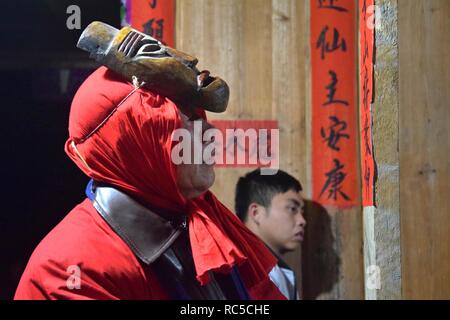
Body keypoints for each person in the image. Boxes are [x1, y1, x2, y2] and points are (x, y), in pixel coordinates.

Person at [14, 22, 285, 300]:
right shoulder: (69, 267)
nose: (209, 132)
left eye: (199, 115)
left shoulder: (204, 222)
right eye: (184, 119)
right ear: (133, 142)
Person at [235, 168, 306, 300]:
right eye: (292, 209)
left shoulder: (276, 269)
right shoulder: (240, 268)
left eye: (302, 211)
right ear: (256, 213)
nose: (302, 221)